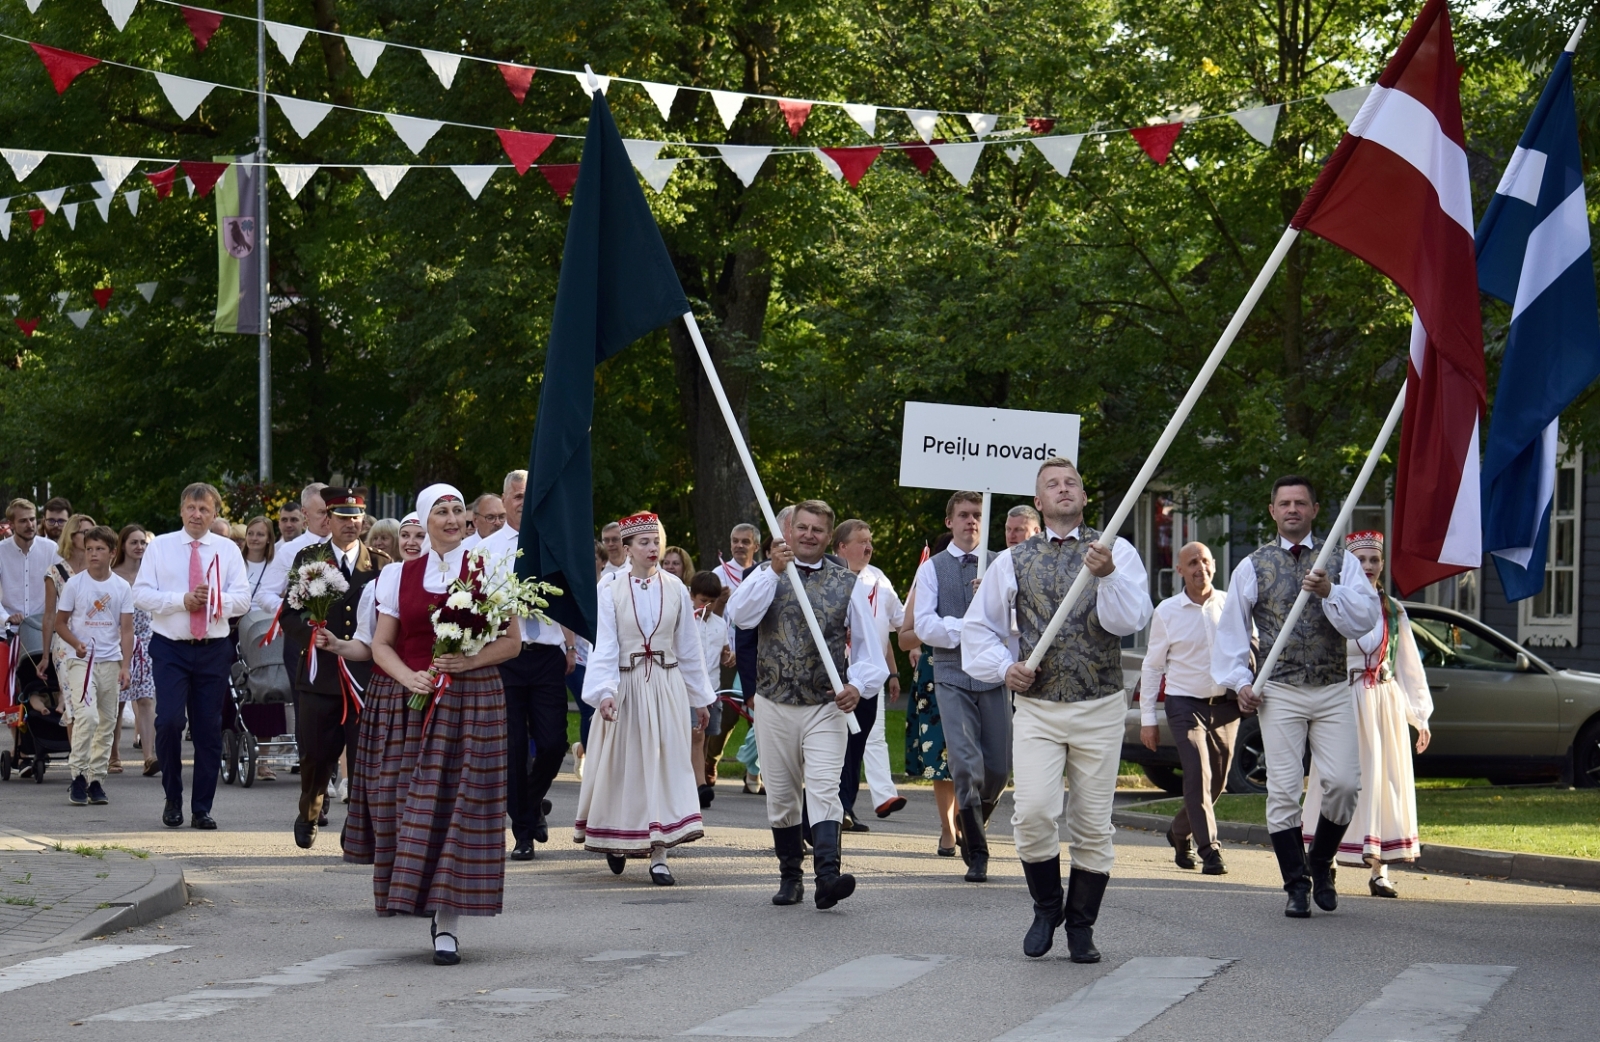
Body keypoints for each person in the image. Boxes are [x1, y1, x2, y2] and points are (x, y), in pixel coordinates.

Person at [962, 458, 1152, 962]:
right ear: (1039, 502)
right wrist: (1005, 668)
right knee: (1034, 813)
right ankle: (1047, 906)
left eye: (1072, 482)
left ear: (1085, 497)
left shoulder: (1115, 551)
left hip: (1100, 704)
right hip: (1039, 707)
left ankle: (1081, 927)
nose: (1063, 489)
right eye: (1052, 485)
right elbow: (978, 630)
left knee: (1092, 823)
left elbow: (1129, 619)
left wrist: (1107, 576)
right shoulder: (1013, 560)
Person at [341, 483, 518, 965]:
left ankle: (449, 920)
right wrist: (410, 678)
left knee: (462, 808)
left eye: (458, 510)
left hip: (473, 699)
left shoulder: (491, 568)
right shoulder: (397, 575)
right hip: (411, 699)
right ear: (423, 519)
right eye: (442, 511)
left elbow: (512, 643)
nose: (452, 518)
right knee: (405, 804)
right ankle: (417, 892)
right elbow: (381, 644)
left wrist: (470, 660)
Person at [1212, 476, 1381, 919]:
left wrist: (1330, 592)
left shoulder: (1340, 561)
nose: (1292, 509)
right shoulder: (1253, 565)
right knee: (1284, 790)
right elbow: (1231, 634)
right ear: (1272, 512)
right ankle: (1296, 884)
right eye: (1284, 503)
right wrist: (1240, 682)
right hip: (1280, 691)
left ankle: (1321, 861)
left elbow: (1365, 619)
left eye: (1300, 503)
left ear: (1314, 509)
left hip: (1330, 687)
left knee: (1344, 784)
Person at [726, 499, 888, 910]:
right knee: (781, 793)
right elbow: (739, 617)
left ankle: (828, 877)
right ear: (789, 530)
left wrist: (859, 685)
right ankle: (790, 874)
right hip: (774, 701)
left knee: (823, 788)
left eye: (817, 529)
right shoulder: (765, 575)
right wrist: (774, 573)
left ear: (829, 537)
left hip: (824, 705)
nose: (809, 535)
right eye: (803, 528)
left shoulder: (849, 583)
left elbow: (871, 650)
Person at [576, 513, 714, 883]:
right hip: (626, 685)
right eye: (644, 543)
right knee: (626, 765)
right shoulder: (609, 588)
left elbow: (689, 647)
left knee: (664, 764)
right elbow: (603, 644)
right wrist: (604, 692)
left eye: (657, 541)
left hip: (666, 686)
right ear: (627, 548)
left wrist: (699, 698)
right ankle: (617, 837)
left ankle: (659, 853)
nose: (653, 549)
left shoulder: (676, 588)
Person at [1302, 531, 1432, 898]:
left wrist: (1419, 715)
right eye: (1361, 561)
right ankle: (1325, 857)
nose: (1369, 567)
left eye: (1375, 560)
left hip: (1383, 703)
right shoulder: (1333, 603)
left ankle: (1379, 868)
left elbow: (1408, 665)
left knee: (1382, 781)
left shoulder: (1393, 609)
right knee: (1334, 779)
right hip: (1342, 699)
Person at [131, 483, 252, 830]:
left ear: (215, 514)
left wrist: (215, 600)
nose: (197, 515)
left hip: (213, 648)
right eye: (191, 508)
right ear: (181, 510)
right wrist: (181, 600)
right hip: (171, 646)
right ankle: (172, 795)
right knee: (168, 722)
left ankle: (201, 807)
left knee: (208, 730)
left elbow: (242, 599)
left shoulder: (228, 550)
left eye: (204, 509)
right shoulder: (161, 548)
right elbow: (141, 594)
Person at [280, 489, 389, 848]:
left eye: (357, 517)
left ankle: (356, 825)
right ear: (328, 519)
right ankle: (309, 809)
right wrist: (311, 634)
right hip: (320, 675)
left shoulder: (381, 563)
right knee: (315, 753)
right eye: (343, 518)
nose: (351, 524)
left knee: (362, 755)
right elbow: (290, 614)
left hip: (363, 677)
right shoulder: (310, 558)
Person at [480, 468, 578, 861]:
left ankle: (528, 805)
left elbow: (569, 598)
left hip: (547, 656)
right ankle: (522, 833)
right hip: (505, 657)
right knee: (513, 749)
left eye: (528, 495)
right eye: (516, 496)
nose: (522, 501)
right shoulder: (486, 550)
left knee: (554, 743)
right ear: (504, 502)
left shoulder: (553, 543)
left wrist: (572, 647)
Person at [915, 492, 1009, 881]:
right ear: (949, 521)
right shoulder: (933, 568)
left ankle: (972, 825)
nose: (971, 521)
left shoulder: (1001, 563)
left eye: (978, 515)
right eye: (964, 515)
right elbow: (924, 625)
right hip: (951, 675)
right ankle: (978, 850)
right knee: (965, 764)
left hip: (992, 675)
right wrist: (967, 628)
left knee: (999, 768)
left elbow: (1013, 621)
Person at [1140, 541, 1235, 875]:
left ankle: (1179, 831)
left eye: (1206, 561)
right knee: (1197, 773)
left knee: (1217, 783)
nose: (1201, 568)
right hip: (1184, 704)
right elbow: (1152, 667)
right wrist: (1148, 719)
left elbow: (1251, 650)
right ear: (1180, 570)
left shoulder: (1230, 605)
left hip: (1226, 707)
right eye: (1192, 563)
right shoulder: (1167, 611)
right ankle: (1210, 850)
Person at [833, 519, 905, 830]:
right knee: (837, 746)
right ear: (841, 547)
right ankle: (830, 811)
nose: (869, 546)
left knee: (860, 743)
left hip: (867, 677)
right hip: (835, 675)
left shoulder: (880, 581)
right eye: (861, 540)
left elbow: (892, 627)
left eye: (870, 539)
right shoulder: (830, 580)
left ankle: (846, 807)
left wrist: (893, 672)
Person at [56, 526, 135, 807]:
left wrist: (126, 665)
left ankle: (97, 780)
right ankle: (78, 775)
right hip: (80, 661)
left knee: (107, 722)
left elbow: (127, 631)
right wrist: (75, 643)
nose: (93, 554)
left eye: (99, 549)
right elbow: (60, 623)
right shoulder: (75, 584)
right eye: (89, 549)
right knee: (87, 717)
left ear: (113, 553)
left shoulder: (121, 587)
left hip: (110, 661)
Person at [899, 556, 958, 856]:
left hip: (974, 672)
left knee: (970, 757)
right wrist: (936, 630)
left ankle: (965, 820)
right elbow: (904, 638)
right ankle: (947, 828)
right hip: (933, 677)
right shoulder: (926, 581)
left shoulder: (984, 578)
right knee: (939, 757)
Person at [703, 522, 760, 788]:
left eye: (745, 541)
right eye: (735, 541)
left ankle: (756, 770)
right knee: (726, 714)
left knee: (759, 713)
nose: (739, 546)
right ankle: (710, 760)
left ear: (755, 546)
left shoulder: (762, 573)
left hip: (756, 654)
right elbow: (705, 616)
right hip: (725, 654)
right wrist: (721, 601)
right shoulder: (719, 574)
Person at [1, 499, 63, 697]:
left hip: (41, 632)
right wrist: (5, 617)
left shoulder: (51, 549)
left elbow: (64, 588)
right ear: (11, 524)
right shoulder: (1, 551)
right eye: (23, 521)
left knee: (41, 691)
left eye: (32, 519)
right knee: (11, 695)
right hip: (9, 632)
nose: (30, 525)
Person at [110, 525, 156, 776]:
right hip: (116, 643)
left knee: (146, 699)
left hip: (147, 642)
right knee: (116, 702)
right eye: (134, 542)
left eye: (143, 543)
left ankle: (149, 756)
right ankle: (113, 755)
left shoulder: (152, 574)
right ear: (123, 546)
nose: (139, 547)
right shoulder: (112, 575)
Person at [688, 570, 732, 808]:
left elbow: (724, 648)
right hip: (689, 691)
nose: (706, 606)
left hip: (712, 689)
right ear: (692, 596)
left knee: (705, 737)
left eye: (712, 602)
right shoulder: (685, 621)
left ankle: (700, 777)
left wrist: (728, 656)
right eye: (702, 600)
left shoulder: (720, 623)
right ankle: (694, 785)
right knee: (694, 735)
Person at [41, 514, 95, 700]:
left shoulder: (101, 569)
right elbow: (49, 615)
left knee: (96, 705)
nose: (91, 536)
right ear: (71, 536)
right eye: (85, 532)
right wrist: (46, 656)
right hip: (66, 643)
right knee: (73, 702)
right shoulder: (55, 572)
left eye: (93, 532)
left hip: (98, 641)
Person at [255, 483, 330, 614]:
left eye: (331, 511)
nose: (328, 518)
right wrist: (293, 609)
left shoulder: (347, 546)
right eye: (322, 512)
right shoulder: (288, 551)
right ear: (305, 513)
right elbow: (265, 594)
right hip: (304, 630)